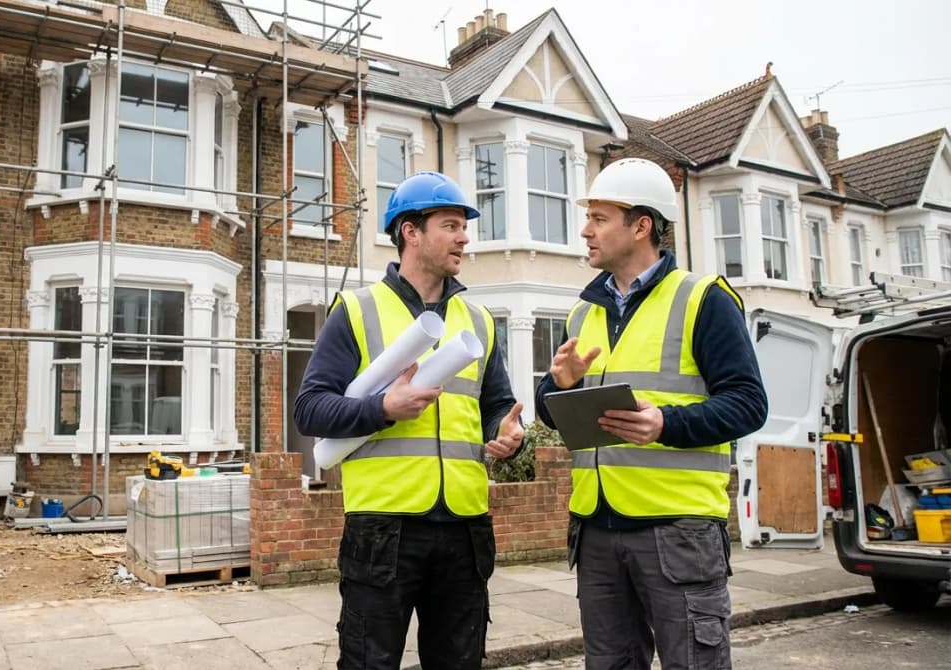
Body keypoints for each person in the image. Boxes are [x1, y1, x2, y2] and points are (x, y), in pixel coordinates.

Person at [535, 158, 767, 669]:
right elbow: (552, 416)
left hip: (678, 530)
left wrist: (666, 423)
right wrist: (559, 385)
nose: (585, 230)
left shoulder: (702, 300)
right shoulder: (583, 312)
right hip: (596, 529)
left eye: (599, 218)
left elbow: (749, 403)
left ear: (641, 226)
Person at [294, 171, 525, 669]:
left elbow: (496, 407)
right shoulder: (357, 310)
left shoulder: (479, 321)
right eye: (450, 225)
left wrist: (507, 434)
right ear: (410, 232)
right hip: (383, 528)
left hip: (465, 527)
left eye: (464, 227)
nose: (464, 238)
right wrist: (382, 409)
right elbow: (310, 409)